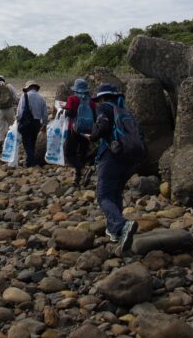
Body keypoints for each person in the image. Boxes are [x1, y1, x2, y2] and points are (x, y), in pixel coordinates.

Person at [84, 83, 137, 256]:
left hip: (111, 155)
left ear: (102, 98)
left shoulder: (103, 108)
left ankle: (122, 224)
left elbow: (103, 127)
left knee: (103, 195)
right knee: (115, 193)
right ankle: (116, 231)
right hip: (129, 158)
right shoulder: (124, 111)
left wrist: (92, 136)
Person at [62, 78, 96, 187]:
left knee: (69, 153)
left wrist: (63, 110)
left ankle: (81, 169)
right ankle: (77, 177)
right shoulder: (90, 101)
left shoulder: (72, 99)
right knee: (82, 153)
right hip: (87, 131)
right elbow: (95, 117)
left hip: (74, 130)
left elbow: (69, 113)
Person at [15, 80, 48, 167]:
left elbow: (20, 111)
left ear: (28, 88)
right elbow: (45, 113)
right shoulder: (41, 97)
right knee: (33, 142)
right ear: (35, 88)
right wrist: (44, 124)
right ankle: (29, 161)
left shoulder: (24, 96)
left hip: (26, 122)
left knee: (26, 143)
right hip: (37, 123)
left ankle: (31, 162)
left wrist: (18, 120)